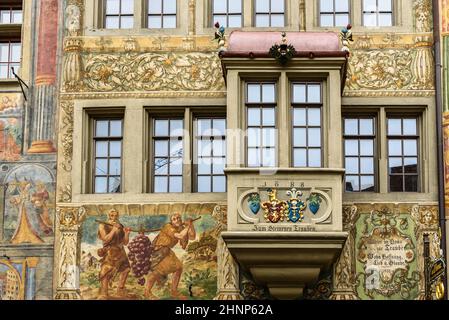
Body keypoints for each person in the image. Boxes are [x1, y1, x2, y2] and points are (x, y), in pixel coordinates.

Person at [144, 213, 196, 299]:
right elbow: (180, 236)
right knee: (157, 272)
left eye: (178, 218)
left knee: (178, 268)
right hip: (159, 251)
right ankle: (147, 292)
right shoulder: (168, 227)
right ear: (171, 221)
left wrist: (191, 225)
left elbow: (192, 237)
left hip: (167, 250)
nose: (177, 220)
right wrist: (187, 226)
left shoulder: (180, 228)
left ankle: (174, 291)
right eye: (174, 219)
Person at [97, 209, 131, 299]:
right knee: (106, 270)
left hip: (120, 251)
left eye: (116, 216)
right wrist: (113, 230)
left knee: (126, 269)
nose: (114, 217)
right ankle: (104, 292)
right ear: (108, 215)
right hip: (109, 250)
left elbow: (125, 243)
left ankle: (120, 290)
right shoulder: (103, 225)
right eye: (112, 215)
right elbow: (105, 239)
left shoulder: (120, 226)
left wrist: (127, 234)